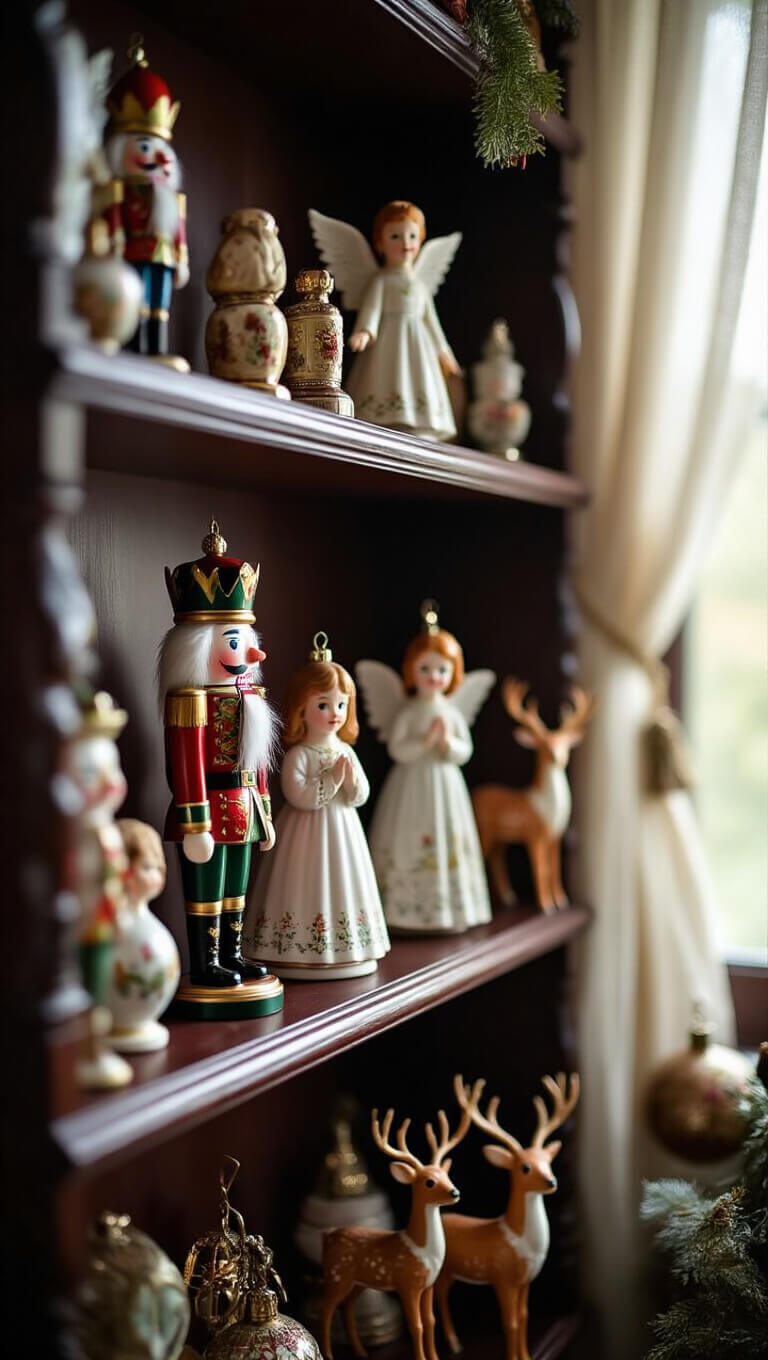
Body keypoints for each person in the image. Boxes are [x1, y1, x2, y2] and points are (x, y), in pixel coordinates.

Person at [157, 521, 282, 1017]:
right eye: (236, 642)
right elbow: (185, 765)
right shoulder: (189, 701)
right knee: (207, 890)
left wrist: (265, 810)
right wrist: (194, 822)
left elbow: (259, 762)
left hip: (245, 805)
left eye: (248, 641)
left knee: (237, 888)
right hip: (208, 810)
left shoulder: (252, 698)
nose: (252, 653)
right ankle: (206, 961)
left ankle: (232, 954)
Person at [246, 633, 390, 979]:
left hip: (343, 830)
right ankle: (295, 949)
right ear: (302, 709)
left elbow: (361, 795)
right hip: (305, 834)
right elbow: (299, 795)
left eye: (341, 705)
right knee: (302, 882)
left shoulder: (346, 750)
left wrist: (350, 781)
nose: (334, 714)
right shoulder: (299, 754)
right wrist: (332, 780)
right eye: (323, 705)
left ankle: (347, 947)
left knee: (344, 880)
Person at [357, 604, 495, 932]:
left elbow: (465, 751)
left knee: (448, 835)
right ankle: (402, 908)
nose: (434, 677)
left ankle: (450, 908)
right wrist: (424, 742)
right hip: (411, 784)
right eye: (426, 668)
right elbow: (397, 748)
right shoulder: (408, 712)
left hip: (446, 785)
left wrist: (447, 744)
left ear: (453, 674)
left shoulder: (452, 712)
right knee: (407, 832)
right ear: (411, 670)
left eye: (442, 670)